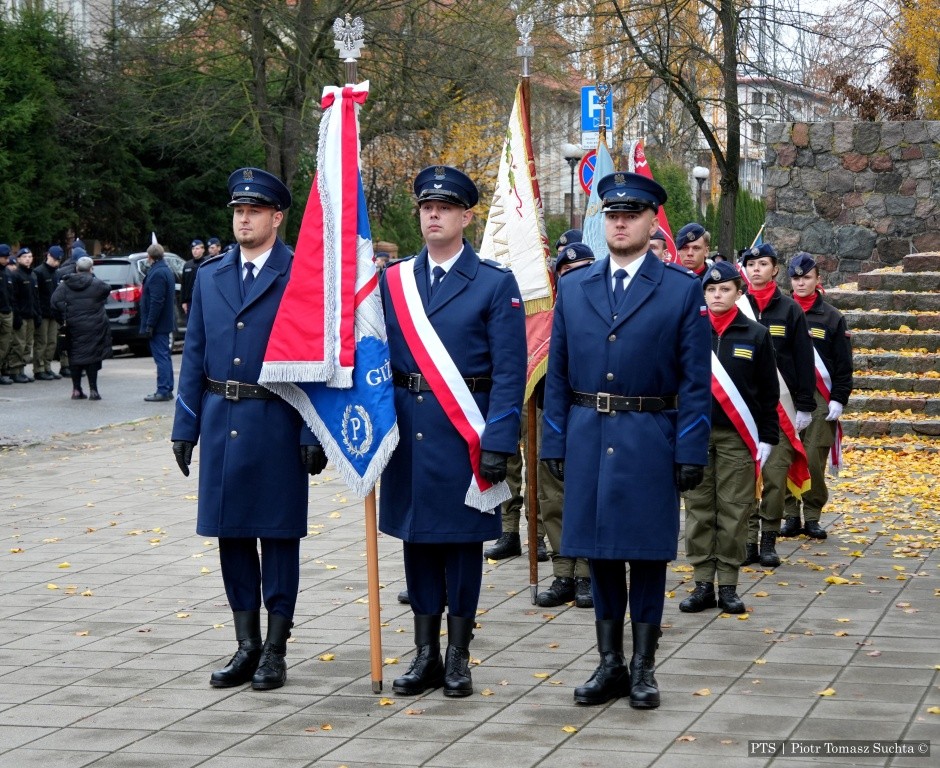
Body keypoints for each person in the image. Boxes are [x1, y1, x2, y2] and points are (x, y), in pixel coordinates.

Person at [540, 171, 711, 709]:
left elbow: (695, 383)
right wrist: (554, 443)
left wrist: (689, 449)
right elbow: (559, 375)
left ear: (650, 220)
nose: (619, 222)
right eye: (611, 214)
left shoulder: (680, 291)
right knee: (600, 554)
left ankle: (643, 667)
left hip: (649, 435)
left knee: (647, 556)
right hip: (590, 433)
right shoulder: (574, 287)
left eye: (631, 214)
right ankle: (609, 662)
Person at [170, 167, 327, 691]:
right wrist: (184, 426)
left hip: (277, 421)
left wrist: (312, 433)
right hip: (222, 421)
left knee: (279, 538)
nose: (243, 218)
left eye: (254, 211)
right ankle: (246, 645)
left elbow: (313, 362)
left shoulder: (299, 276)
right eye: (238, 210)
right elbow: (194, 355)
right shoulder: (212, 275)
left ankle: (276, 650)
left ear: (277, 218)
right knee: (231, 536)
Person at [380, 165, 526, 698]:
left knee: (462, 547)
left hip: (466, 433)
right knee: (416, 542)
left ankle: (459, 656)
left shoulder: (493, 281)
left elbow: (510, 372)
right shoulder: (393, 281)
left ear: (467, 216)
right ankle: (425, 654)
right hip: (409, 433)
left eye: (444, 207)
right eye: (426, 207)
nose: (433, 214)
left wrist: (499, 443)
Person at [681, 262, 779, 615]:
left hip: (739, 437)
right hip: (695, 435)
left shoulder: (756, 335)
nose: (718, 294)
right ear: (703, 294)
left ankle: (729, 585)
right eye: (711, 289)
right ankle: (703, 583)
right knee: (698, 509)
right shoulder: (691, 332)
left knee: (736, 511)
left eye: (725, 289)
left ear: (739, 294)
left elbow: (768, 392)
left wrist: (768, 436)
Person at [740, 243, 817, 567]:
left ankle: (769, 538)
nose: (756, 269)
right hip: (742, 407)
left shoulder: (790, 310)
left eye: (763, 263)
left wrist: (804, 405)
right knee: (744, 478)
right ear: (744, 270)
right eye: (751, 264)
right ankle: (748, 541)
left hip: (781, 406)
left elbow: (803, 359)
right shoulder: (734, 306)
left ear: (774, 269)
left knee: (773, 476)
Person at [535, 242, 595, 609]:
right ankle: (562, 572)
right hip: (551, 412)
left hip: (590, 412)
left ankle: (587, 573)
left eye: (584, 268)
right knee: (553, 494)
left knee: (587, 492)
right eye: (568, 272)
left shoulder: (603, 309)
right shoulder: (543, 314)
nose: (575, 276)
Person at [781, 252, 853, 539]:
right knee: (785, 456)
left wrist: (839, 398)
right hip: (786, 393)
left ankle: (811, 515)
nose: (801, 283)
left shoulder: (833, 317)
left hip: (821, 397)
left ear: (817, 280)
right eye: (796, 278)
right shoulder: (780, 311)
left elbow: (844, 363)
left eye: (806, 277)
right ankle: (789, 515)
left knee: (813, 458)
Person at [50, 256, 111, 400]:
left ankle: (76, 389)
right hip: (94, 326)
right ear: (91, 269)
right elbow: (107, 289)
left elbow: (54, 303)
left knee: (75, 357)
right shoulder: (97, 285)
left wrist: (63, 319)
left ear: (76, 268)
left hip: (73, 326)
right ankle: (94, 390)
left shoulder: (65, 285)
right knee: (93, 357)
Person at [140, 243, 177, 402]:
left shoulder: (157, 273)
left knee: (161, 357)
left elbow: (156, 301)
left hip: (159, 324)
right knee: (165, 356)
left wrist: (150, 324)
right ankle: (167, 388)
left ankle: (163, 389)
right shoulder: (165, 269)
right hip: (164, 322)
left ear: (149, 257)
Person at [32, 245, 64, 380]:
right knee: (41, 342)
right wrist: (37, 313)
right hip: (43, 313)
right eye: (55, 259)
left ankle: (47, 367)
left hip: (53, 313)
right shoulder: (39, 272)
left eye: (59, 261)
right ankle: (39, 369)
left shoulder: (56, 273)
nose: (56, 263)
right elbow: (36, 295)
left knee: (52, 342)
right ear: (48, 256)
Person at [8, 248, 38, 383]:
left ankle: (21, 370)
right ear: (18, 259)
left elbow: (35, 297)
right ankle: (14, 370)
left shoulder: (32, 275)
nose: (27, 259)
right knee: (18, 344)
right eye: (24, 256)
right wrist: (17, 316)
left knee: (27, 345)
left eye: (30, 256)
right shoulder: (15, 275)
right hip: (21, 315)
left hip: (31, 315)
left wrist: (37, 314)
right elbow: (13, 298)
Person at [0, 245, 14, 385]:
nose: (7, 260)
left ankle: (2, 370)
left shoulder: (7, 273)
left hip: (7, 311)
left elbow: (11, 295)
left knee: (5, 345)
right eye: (4, 257)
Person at [181, 239, 206, 314]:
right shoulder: (187, 265)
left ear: (203, 250)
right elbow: (184, 284)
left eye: (197, 248)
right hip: (190, 301)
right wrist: (183, 301)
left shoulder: (206, 264)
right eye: (193, 248)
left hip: (203, 300)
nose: (194, 251)